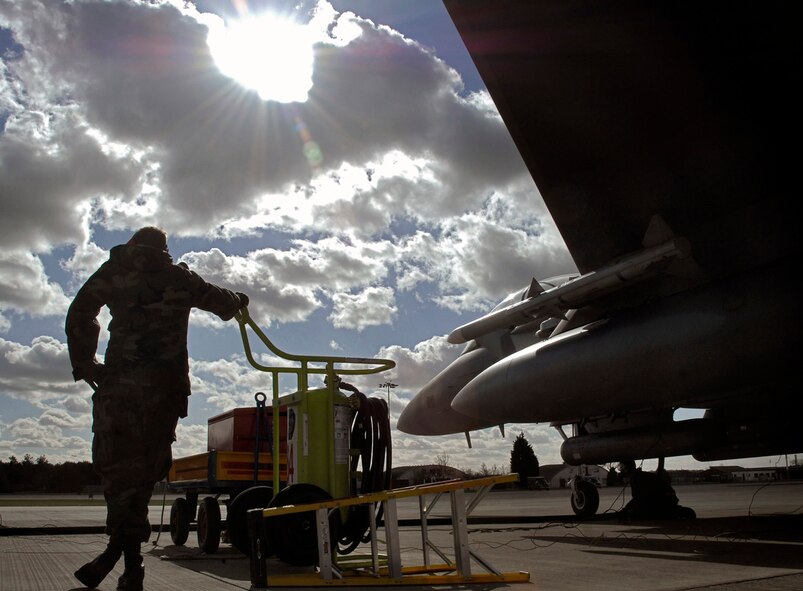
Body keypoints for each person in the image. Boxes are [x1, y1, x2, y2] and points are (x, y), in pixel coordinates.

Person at [65, 227, 248, 591]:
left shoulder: (114, 271)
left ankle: (122, 556)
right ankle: (129, 565)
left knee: (119, 478)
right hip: (164, 392)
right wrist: (239, 297)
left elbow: (81, 311)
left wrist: (85, 362)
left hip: (120, 387)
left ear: (133, 244)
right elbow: (225, 302)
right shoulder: (180, 277)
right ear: (165, 249)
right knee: (144, 478)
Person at [618, 460, 695, 520]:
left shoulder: (639, 479)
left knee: (640, 515)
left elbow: (639, 499)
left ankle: (674, 512)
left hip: (663, 501)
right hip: (664, 499)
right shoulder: (639, 476)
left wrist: (626, 510)